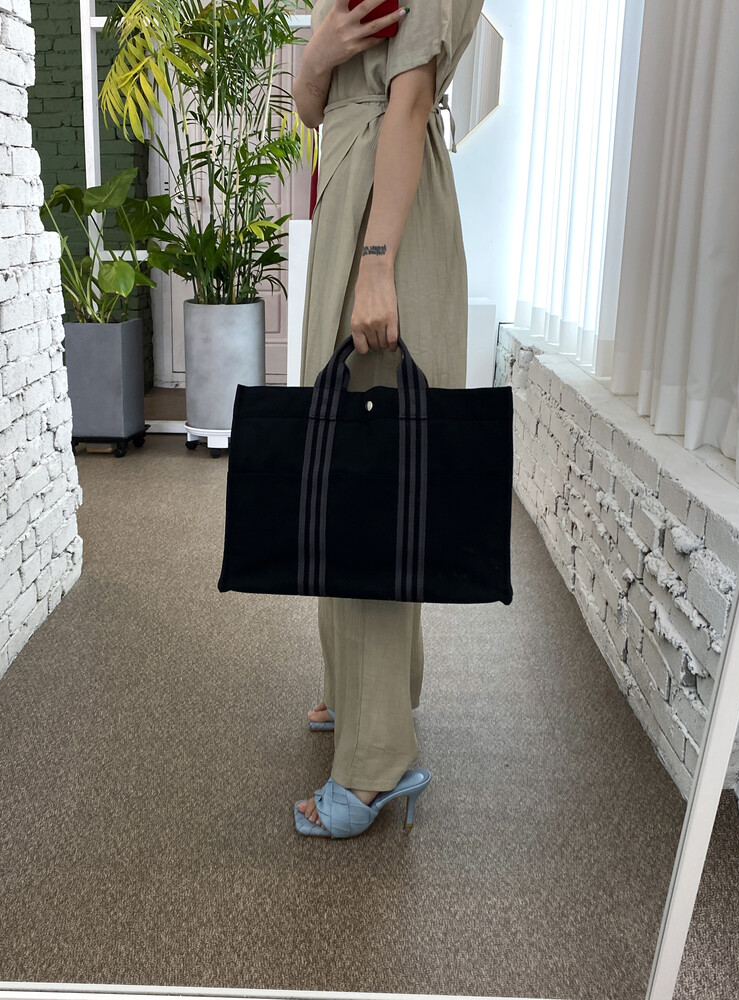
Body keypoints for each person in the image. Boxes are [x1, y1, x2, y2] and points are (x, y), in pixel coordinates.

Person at [291, 0, 484, 838]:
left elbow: (407, 103)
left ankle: (375, 764)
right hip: (351, 194)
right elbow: (315, 110)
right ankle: (365, 693)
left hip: (384, 216)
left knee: (369, 486)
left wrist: (376, 264)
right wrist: (315, 57)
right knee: (352, 471)